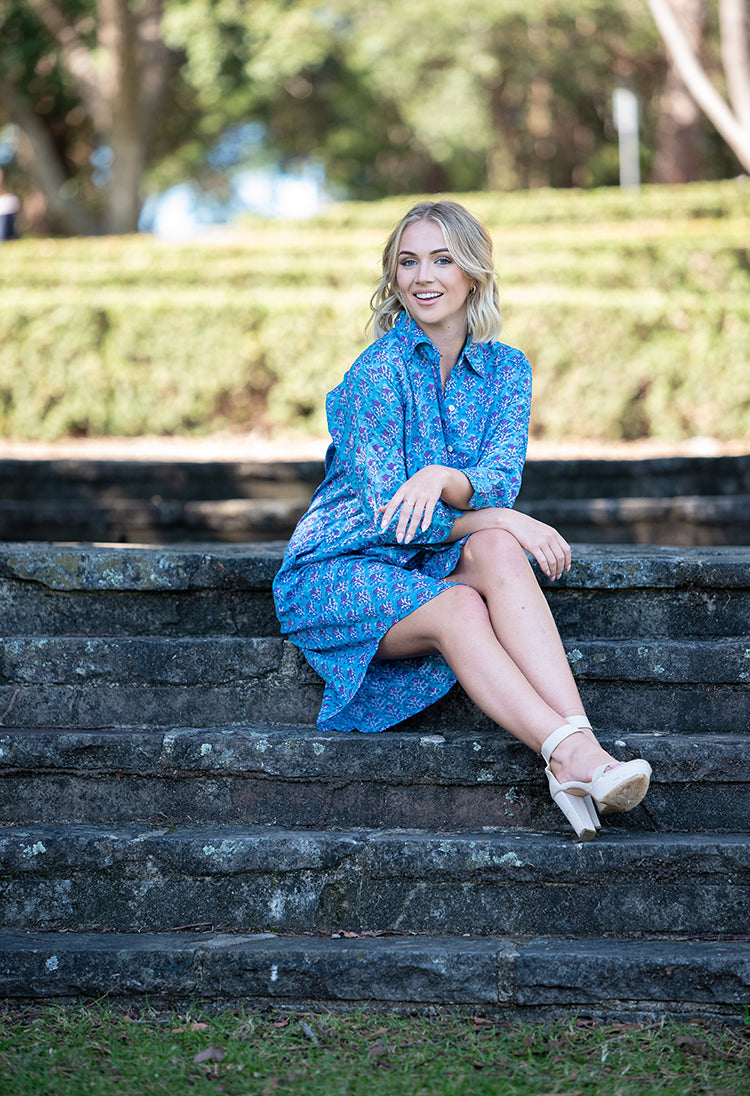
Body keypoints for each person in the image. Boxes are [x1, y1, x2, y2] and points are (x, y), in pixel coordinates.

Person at [273, 199, 651, 841]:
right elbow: (394, 523)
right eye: (408, 261)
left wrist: (445, 480)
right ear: (393, 278)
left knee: (501, 548)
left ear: (473, 273)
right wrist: (497, 516)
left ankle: (580, 747)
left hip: (426, 564)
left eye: (443, 259)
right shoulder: (372, 377)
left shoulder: (506, 369)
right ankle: (568, 755)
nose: (424, 276)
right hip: (340, 570)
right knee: (464, 600)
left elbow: (498, 482)